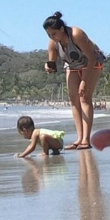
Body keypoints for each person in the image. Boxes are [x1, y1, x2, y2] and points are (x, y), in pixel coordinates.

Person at [43, 11, 105, 150]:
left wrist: (84, 81)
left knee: (84, 97)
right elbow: (52, 61)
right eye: (49, 35)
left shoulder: (76, 34)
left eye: (54, 34)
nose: (52, 37)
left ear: (61, 29)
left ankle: (86, 140)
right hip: (72, 66)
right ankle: (79, 138)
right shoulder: (53, 43)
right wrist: (48, 66)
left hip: (91, 63)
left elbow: (92, 58)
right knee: (73, 99)